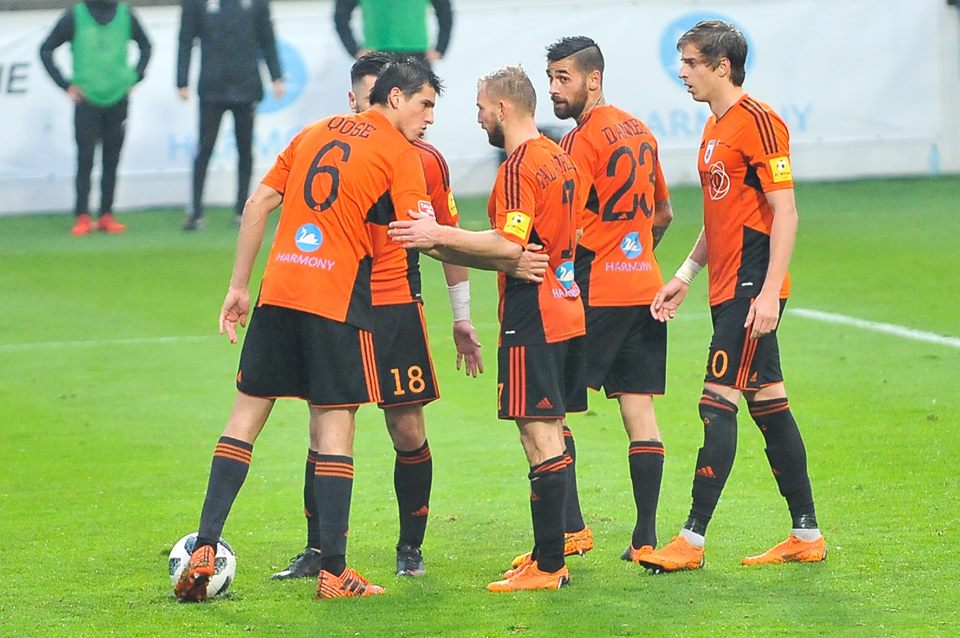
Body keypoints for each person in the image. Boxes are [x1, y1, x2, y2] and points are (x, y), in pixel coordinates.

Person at [173, 58, 442, 602]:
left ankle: (205, 545)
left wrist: (238, 286)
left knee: (244, 418)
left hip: (277, 293)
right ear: (394, 98)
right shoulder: (399, 154)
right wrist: (503, 254)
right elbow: (424, 234)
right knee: (334, 427)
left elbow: (257, 203)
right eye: (425, 104)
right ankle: (335, 572)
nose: (430, 117)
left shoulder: (313, 131)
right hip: (336, 301)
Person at [270, 52, 483, 582]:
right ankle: (319, 550)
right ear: (356, 99)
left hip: (394, 307)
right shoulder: (327, 142)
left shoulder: (424, 161)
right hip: (334, 301)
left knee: (406, 427)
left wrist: (461, 316)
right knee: (324, 428)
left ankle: (410, 547)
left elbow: (447, 239)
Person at [389, 66, 587, 592]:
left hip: (533, 313)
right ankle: (550, 551)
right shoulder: (559, 156)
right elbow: (526, 246)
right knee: (553, 429)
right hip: (567, 305)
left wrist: (438, 233)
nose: (477, 118)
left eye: (480, 108)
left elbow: (508, 245)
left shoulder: (519, 165)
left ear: (502, 108)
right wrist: (443, 242)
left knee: (537, 434)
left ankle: (550, 567)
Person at [640, 20, 826, 573]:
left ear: (723, 66)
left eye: (692, 62)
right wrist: (685, 273)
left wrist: (768, 294)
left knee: (715, 401)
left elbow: (785, 211)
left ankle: (691, 540)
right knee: (769, 405)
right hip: (726, 286)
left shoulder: (760, 122)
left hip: (752, 287)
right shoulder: (713, 126)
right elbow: (720, 216)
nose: (682, 72)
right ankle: (806, 534)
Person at [517, 35, 674, 567]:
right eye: (551, 78)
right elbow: (663, 215)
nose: (554, 89)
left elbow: (564, 220)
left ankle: (572, 530)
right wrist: (635, 254)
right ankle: (645, 538)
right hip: (644, 287)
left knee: (550, 411)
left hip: (595, 290)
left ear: (594, 79)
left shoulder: (580, 141)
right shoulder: (640, 130)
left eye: (563, 78)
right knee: (639, 409)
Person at [39, 0, 152, 236]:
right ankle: (82, 215)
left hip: (117, 97)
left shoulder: (125, 15)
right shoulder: (75, 16)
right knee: (85, 158)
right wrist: (65, 85)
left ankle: (106, 214)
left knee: (112, 159)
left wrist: (135, 76)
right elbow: (46, 49)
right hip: (87, 100)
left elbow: (146, 45)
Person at [176, 0, 284, 230]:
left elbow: (267, 37)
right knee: (204, 149)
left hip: (246, 85)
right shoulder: (197, 4)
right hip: (212, 87)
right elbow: (185, 39)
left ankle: (241, 210)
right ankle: (195, 212)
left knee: (245, 150)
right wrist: (181, 80)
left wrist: (277, 75)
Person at [334, 0, 453, 65]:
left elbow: (445, 12)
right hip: (376, 56)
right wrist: (353, 49)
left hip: (417, 55)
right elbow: (341, 16)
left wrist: (441, 47)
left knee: (416, 102)